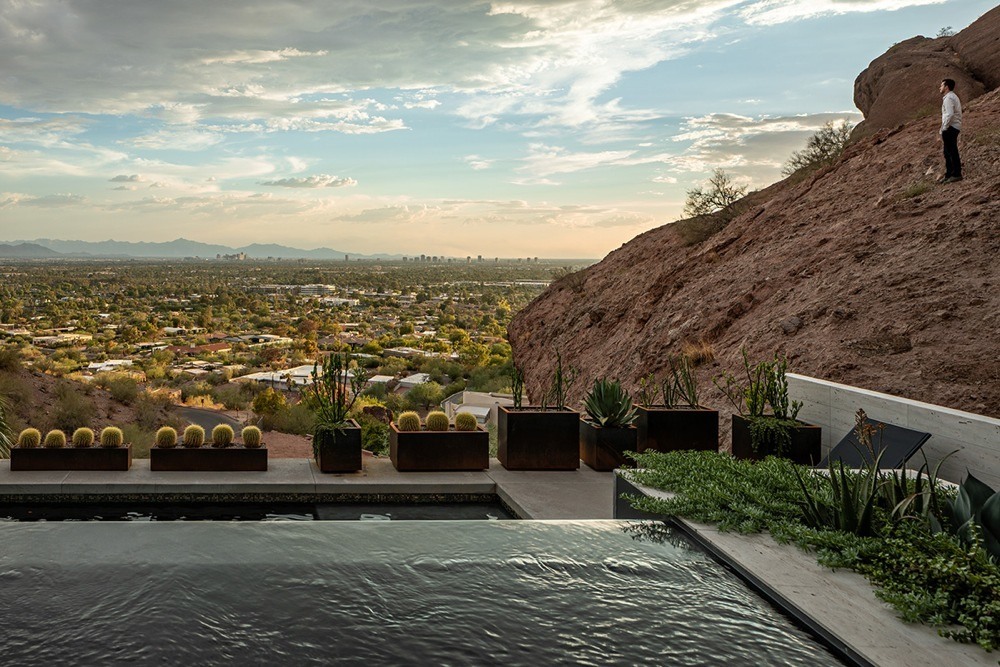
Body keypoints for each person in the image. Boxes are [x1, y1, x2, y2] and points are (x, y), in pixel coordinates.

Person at [939, 79, 963, 183]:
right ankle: (949, 174)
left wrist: (944, 127)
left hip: (950, 127)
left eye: (941, 85)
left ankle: (956, 174)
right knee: (947, 152)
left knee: (951, 151)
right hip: (953, 126)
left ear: (946, 87)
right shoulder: (952, 97)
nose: (940, 87)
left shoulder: (949, 98)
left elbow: (949, 114)